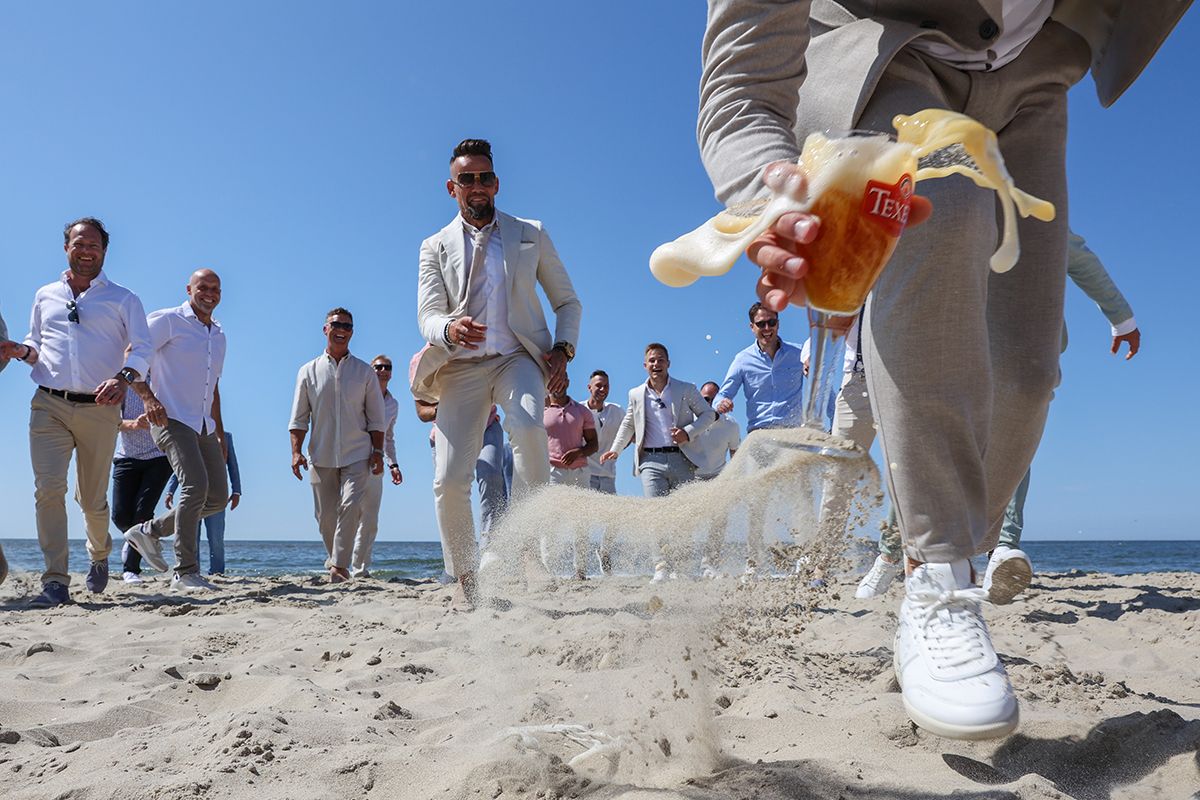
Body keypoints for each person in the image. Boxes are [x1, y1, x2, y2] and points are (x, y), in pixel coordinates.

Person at [697, 0, 1186, 738]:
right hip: (884, 55)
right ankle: (938, 578)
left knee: (1025, 372)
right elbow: (740, 81)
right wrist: (763, 198)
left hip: (1032, 73)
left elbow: (1077, 255)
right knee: (945, 207)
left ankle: (954, 554)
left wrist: (1119, 312)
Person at [855, 231, 1143, 603]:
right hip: (955, 344)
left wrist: (1121, 317)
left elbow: (1076, 254)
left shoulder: (1030, 206)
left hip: (1021, 352)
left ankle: (1002, 549)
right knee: (931, 448)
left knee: (1015, 435)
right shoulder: (949, 209)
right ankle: (892, 552)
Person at [411, 138, 582, 606]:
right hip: (460, 367)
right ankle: (467, 580)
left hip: (517, 359)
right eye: (467, 179)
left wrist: (563, 350)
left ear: (497, 183)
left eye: (485, 177)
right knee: (448, 480)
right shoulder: (433, 246)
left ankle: (525, 541)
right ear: (452, 188)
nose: (477, 186)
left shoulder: (531, 233)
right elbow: (427, 315)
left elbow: (567, 301)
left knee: (528, 430)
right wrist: (448, 329)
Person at [1, 218, 154, 607]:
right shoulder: (45, 294)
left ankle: (100, 553)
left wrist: (122, 379)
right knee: (48, 490)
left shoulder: (123, 299)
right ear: (66, 247)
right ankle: (55, 581)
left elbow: (142, 349)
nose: (86, 251)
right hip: (48, 403)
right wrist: (20, 351)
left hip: (99, 409)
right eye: (78, 244)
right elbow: (37, 345)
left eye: (94, 246)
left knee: (91, 498)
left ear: (104, 251)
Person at [123, 269, 229, 592]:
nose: (209, 294)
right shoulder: (169, 320)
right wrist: (147, 398)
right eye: (202, 287)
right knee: (194, 486)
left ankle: (149, 531)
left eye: (215, 289)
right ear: (189, 289)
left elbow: (213, 389)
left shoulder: (219, 335)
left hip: (203, 426)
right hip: (170, 420)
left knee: (218, 497)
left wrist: (220, 433)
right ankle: (185, 571)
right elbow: (132, 354)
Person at [601, 343, 717, 582]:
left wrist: (688, 431)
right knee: (656, 514)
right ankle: (661, 567)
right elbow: (628, 424)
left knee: (682, 516)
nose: (656, 364)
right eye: (652, 360)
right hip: (650, 460)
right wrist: (615, 449)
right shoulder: (635, 394)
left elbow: (708, 414)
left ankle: (681, 567)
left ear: (668, 363)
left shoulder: (686, 389)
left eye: (660, 360)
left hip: (682, 458)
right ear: (645, 365)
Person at [289, 308, 386, 583]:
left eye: (347, 325)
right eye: (336, 324)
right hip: (320, 454)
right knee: (324, 516)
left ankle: (340, 568)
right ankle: (336, 559)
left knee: (351, 505)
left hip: (358, 452)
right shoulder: (307, 371)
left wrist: (378, 452)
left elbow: (376, 419)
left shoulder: (365, 372)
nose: (341, 329)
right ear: (325, 329)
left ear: (352, 332)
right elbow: (298, 417)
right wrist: (296, 452)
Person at [112, 370, 174, 583]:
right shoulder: (122, 382)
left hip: (159, 456)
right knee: (119, 516)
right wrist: (134, 424)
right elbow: (111, 422)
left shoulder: (163, 379)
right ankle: (136, 540)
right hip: (126, 456)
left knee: (142, 513)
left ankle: (131, 570)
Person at [714, 303, 806, 433]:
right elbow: (723, 394)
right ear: (752, 327)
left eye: (771, 322)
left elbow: (822, 383)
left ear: (778, 324)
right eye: (761, 324)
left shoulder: (799, 353)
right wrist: (720, 403)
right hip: (759, 433)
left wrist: (833, 421)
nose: (767, 328)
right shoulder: (742, 360)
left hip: (792, 432)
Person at [350, 355, 404, 578]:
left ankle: (360, 569)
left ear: (391, 373)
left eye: (387, 367)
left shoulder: (393, 404)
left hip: (377, 463)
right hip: (352, 459)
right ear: (371, 371)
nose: (383, 370)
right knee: (347, 513)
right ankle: (339, 562)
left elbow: (389, 437)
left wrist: (394, 464)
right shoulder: (360, 396)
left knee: (370, 518)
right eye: (378, 367)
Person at [543, 374, 598, 579]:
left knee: (581, 523)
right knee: (551, 523)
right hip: (551, 474)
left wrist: (579, 452)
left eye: (562, 380)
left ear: (567, 382)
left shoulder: (582, 411)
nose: (558, 384)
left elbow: (594, 444)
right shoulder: (541, 410)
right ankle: (549, 571)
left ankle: (580, 571)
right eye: (553, 380)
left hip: (579, 473)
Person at [164, 431, 242, 576]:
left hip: (217, 496)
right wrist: (170, 491)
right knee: (191, 537)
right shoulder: (190, 435)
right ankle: (193, 571)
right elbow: (179, 466)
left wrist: (236, 491)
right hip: (192, 496)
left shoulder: (225, 437)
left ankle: (217, 572)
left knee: (216, 538)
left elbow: (232, 464)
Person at [691, 381, 742, 577]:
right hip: (692, 478)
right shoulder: (690, 421)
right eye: (705, 400)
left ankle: (709, 564)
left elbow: (735, 455)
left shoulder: (731, 425)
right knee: (688, 521)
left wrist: (732, 483)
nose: (709, 404)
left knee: (719, 521)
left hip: (718, 477)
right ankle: (680, 564)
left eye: (714, 400)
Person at [584, 370, 624, 495]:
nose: (603, 389)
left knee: (610, 514)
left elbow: (631, 432)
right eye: (598, 385)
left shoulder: (617, 410)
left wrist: (617, 450)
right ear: (589, 388)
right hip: (585, 475)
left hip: (609, 477)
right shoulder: (579, 410)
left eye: (606, 386)